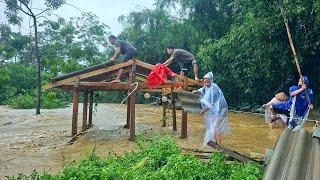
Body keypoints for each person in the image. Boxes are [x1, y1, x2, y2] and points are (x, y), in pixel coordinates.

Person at [192, 72, 230, 146]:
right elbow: (202, 90)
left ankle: (219, 145)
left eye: (208, 82)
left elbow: (211, 104)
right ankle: (216, 143)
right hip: (215, 110)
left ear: (211, 81)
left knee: (215, 126)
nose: (206, 84)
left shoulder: (213, 88)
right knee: (213, 126)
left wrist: (202, 111)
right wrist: (197, 91)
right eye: (205, 82)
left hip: (221, 110)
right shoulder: (207, 87)